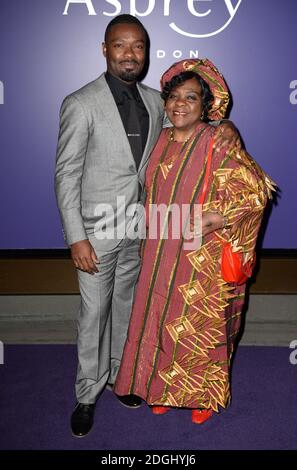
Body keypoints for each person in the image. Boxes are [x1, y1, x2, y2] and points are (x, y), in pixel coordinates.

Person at [55, 14, 240, 438]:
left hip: (142, 231)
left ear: (146, 51)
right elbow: (65, 174)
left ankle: (123, 378)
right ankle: (86, 393)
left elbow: (194, 123)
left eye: (137, 46)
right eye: (120, 46)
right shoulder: (80, 103)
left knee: (127, 307)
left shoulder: (158, 100)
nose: (129, 54)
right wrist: (76, 237)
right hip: (96, 234)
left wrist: (226, 126)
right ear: (105, 50)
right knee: (93, 313)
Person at [114, 58, 276, 424]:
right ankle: (160, 388)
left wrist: (217, 218)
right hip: (159, 251)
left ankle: (204, 396)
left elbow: (255, 194)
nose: (180, 104)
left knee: (198, 327)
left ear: (205, 105)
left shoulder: (216, 142)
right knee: (159, 320)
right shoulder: (160, 139)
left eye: (190, 97)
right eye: (173, 96)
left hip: (200, 257)